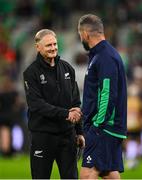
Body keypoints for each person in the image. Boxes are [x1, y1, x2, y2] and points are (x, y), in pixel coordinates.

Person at [23, 29, 85, 179]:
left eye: (55, 44)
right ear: (38, 47)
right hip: (43, 136)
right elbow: (37, 105)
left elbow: (75, 102)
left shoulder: (68, 69)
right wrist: (66, 114)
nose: (53, 48)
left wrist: (79, 131)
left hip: (67, 136)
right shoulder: (31, 73)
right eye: (48, 45)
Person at [78, 14, 127, 179]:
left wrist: (97, 126)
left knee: (88, 173)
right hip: (108, 127)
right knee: (108, 173)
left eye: (80, 36)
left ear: (85, 34)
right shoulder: (102, 55)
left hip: (104, 127)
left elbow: (108, 93)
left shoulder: (104, 56)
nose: (81, 39)